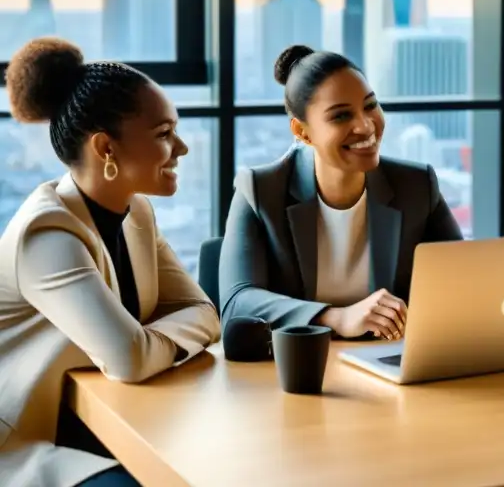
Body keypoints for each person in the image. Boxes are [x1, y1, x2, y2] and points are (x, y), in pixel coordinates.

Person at [0, 38, 221, 487]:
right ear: (105, 148)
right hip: (31, 442)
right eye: (163, 134)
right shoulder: (47, 235)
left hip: (112, 418)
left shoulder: (136, 211)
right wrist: (148, 342)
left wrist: (147, 341)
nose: (181, 148)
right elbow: (128, 360)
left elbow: (205, 313)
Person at [219, 45, 464, 341]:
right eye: (340, 116)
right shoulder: (260, 190)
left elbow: (461, 283)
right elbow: (237, 304)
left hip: (388, 365)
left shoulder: (416, 186)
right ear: (302, 132)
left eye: (370, 105)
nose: (364, 125)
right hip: (297, 374)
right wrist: (336, 317)